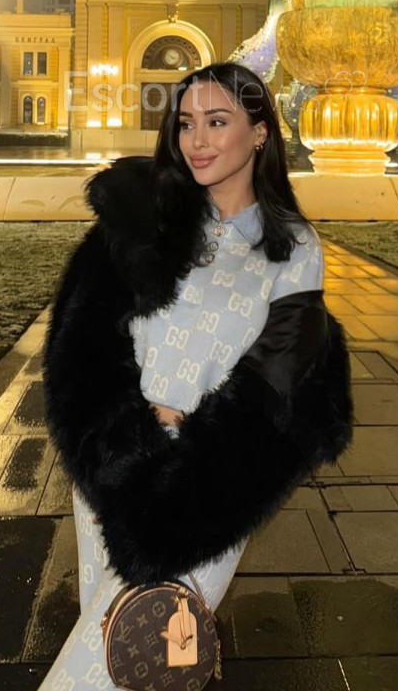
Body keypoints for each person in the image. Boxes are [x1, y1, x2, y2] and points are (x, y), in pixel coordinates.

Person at [40, 62, 352, 688]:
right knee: (124, 658)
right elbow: (84, 337)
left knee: (108, 668)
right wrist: (122, 438)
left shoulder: (293, 248)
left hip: (199, 494)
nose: (197, 141)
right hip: (115, 465)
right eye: (186, 124)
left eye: (216, 122)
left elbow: (281, 376)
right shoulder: (145, 221)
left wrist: (189, 447)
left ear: (259, 133)